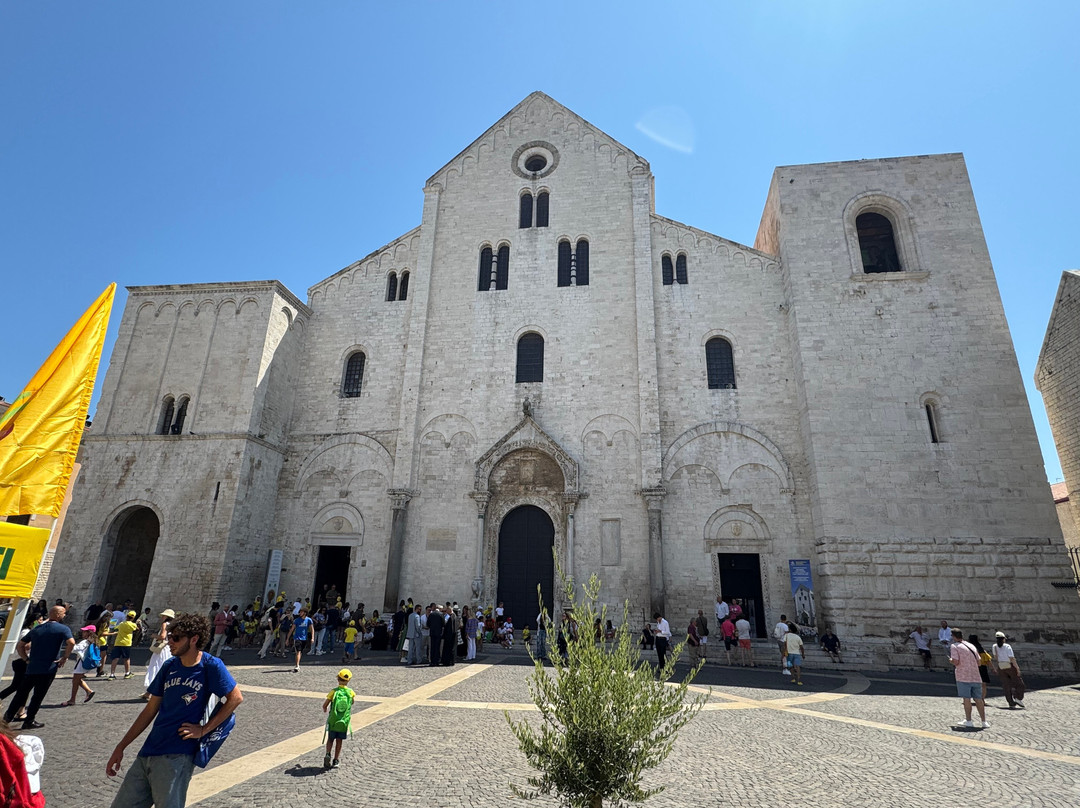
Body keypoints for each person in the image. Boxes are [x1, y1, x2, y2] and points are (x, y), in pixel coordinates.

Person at [106, 613, 243, 807]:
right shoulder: (170, 665)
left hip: (178, 755)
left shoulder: (210, 666)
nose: (170, 641)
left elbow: (236, 698)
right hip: (149, 750)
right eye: (169, 636)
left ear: (194, 639)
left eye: (176, 638)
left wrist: (203, 730)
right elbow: (150, 709)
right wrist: (122, 746)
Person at [4, 605, 74, 729]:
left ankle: (6, 719)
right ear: (58, 615)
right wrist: (64, 658)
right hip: (48, 668)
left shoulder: (37, 628)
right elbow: (71, 642)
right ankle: (29, 720)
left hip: (32, 667)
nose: (64, 615)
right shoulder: (63, 628)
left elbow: (20, 645)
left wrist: (26, 659)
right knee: (38, 696)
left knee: (21, 693)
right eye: (63, 613)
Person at [949, 628, 988, 729]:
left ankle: (969, 720)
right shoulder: (971, 646)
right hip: (976, 676)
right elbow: (979, 662)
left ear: (953, 636)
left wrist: (951, 660)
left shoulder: (954, 646)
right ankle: (984, 721)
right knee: (979, 699)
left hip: (963, 676)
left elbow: (956, 661)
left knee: (966, 699)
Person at [322, 669, 355, 770]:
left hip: (333, 720)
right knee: (339, 741)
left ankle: (328, 753)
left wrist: (325, 709)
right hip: (343, 721)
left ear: (338, 679)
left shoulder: (334, 692)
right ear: (348, 680)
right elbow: (352, 702)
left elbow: (325, 705)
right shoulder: (350, 692)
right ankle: (336, 760)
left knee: (330, 739)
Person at [63, 624, 101, 705]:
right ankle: (88, 691)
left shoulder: (85, 642)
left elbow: (76, 649)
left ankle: (72, 700)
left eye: (84, 631)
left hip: (81, 662)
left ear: (89, 633)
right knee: (76, 680)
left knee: (75, 681)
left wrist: (70, 644)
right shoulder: (93, 641)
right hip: (85, 662)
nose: (82, 632)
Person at [143, 609, 176, 701]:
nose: (162, 617)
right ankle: (149, 692)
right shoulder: (173, 626)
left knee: (155, 667)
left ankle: (151, 692)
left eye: (163, 616)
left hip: (161, 649)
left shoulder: (164, 624)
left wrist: (154, 635)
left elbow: (162, 636)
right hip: (168, 648)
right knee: (163, 668)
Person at [991, 631, 1025, 709]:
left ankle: (1011, 702)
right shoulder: (1007, 646)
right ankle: (1018, 697)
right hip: (1009, 666)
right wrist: (1017, 668)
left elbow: (996, 658)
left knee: (1006, 685)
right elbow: (1012, 658)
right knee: (1020, 684)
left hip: (1001, 667)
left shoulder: (994, 646)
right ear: (1004, 639)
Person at [109, 610, 140, 679]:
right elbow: (137, 629)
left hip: (118, 642)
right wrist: (137, 623)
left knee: (115, 658)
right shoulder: (133, 625)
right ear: (133, 618)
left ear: (126, 616)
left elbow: (115, 628)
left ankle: (112, 674)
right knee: (126, 658)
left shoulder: (121, 624)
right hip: (126, 643)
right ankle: (127, 673)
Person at [287, 608, 314, 673]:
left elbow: (312, 629)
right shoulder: (296, 620)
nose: (299, 613)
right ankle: (297, 665)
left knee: (300, 651)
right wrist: (287, 638)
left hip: (304, 638)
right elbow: (292, 629)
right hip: (297, 638)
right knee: (298, 651)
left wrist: (312, 637)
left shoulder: (309, 620)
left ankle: (297, 663)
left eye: (301, 612)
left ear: (305, 613)